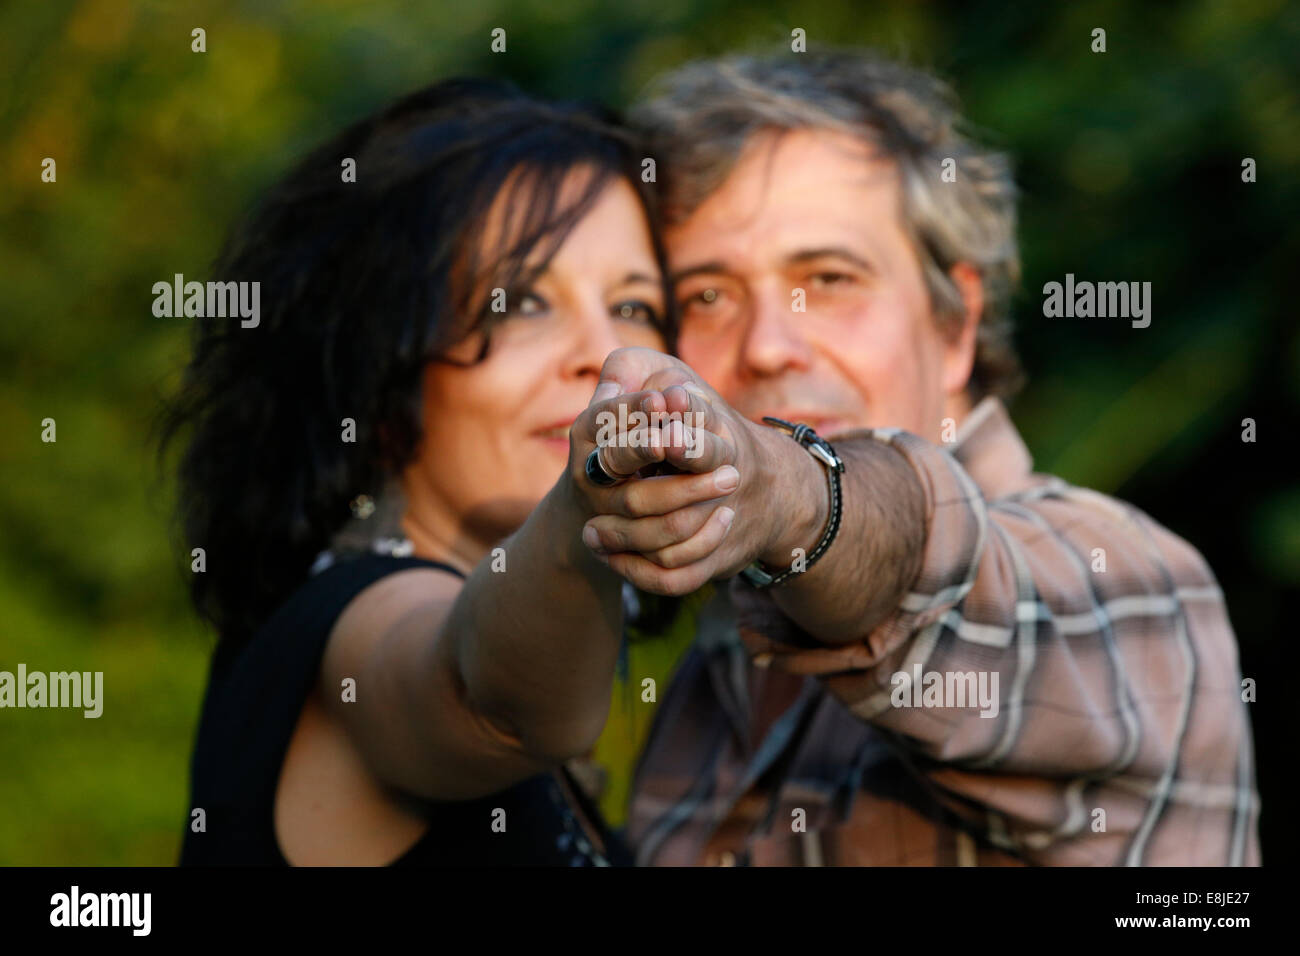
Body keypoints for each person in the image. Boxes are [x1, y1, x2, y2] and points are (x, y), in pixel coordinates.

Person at [579, 52, 1261, 866]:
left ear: (955, 328)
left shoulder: (1131, 585)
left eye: (829, 278)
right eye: (707, 297)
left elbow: (920, 550)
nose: (768, 345)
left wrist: (792, 492)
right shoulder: (708, 662)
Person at [161, 78, 737, 866]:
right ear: (383, 371)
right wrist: (593, 500)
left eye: (634, 307)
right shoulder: (358, 628)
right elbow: (489, 703)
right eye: (522, 302)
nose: (606, 357)